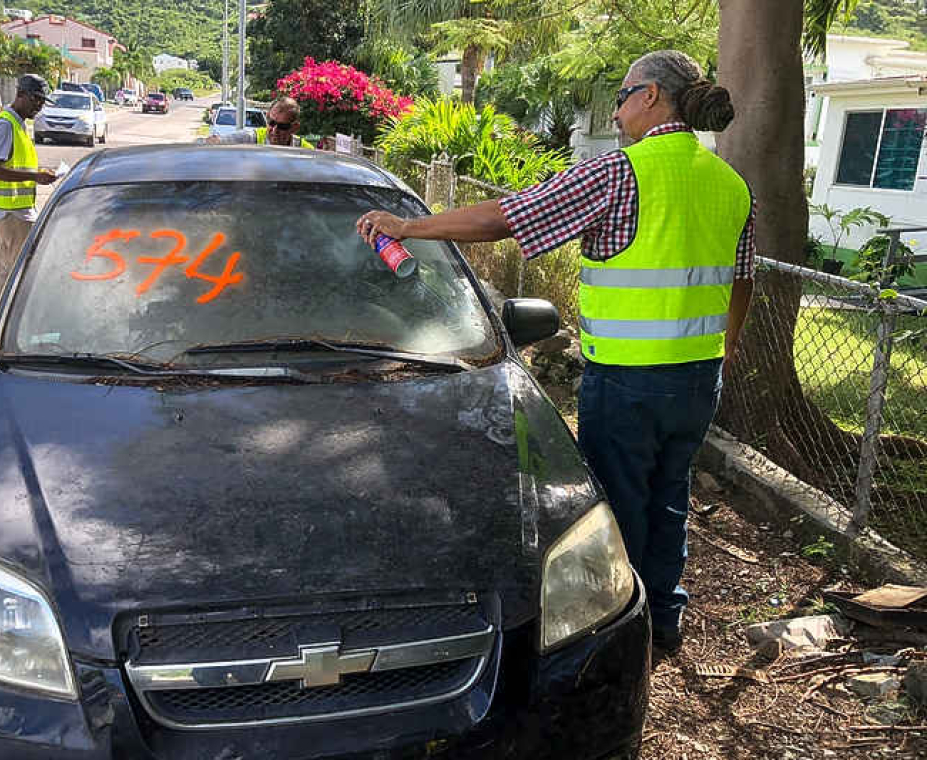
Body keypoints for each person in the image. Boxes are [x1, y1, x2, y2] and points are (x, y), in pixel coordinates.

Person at [356, 50, 757, 657]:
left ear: (651, 96)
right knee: (670, 498)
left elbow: (506, 217)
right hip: (699, 379)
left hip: (628, 382)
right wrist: (723, 352)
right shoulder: (730, 183)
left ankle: (621, 638)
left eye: (623, 95)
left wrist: (410, 228)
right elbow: (743, 279)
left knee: (617, 508)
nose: (618, 108)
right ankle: (665, 622)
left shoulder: (621, 173)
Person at [0, 73, 59, 332]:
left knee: (14, 270)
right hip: (10, 212)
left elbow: (15, 164)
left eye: (42, 101)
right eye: (36, 99)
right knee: (11, 271)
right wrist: (35, 176)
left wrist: (38, 174)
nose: (39, 106)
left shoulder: (19, 123)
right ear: (21, 95)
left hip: (19, 211)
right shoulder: (5, 124)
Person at [200, 96, 314, 148]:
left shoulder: (306, 151)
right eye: (271, 123)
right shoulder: (250, 138)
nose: (274, 131)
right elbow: (217, 142)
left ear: (295, 127)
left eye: (282, 126)